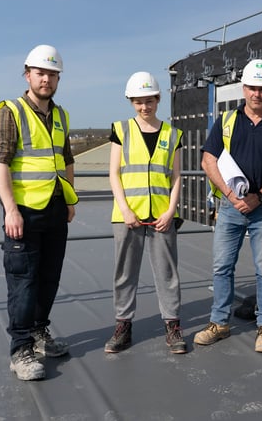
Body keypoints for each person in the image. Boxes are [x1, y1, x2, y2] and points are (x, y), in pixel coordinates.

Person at [194, 59, 262, 353]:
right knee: (222, 266)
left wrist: (259, 197)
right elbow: (208, 160)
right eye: (252, 88)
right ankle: (219, 323)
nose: (257, 94)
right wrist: (230, 195)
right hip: (230, 208)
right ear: (244, 89)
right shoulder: (227, 122)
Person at [0, 44, 78, 381]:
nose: (47, 79)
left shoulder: (61, 115)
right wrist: (10, 210)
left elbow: (66, 159)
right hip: (24, 211)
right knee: (23, 282)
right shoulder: (10, 111)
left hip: (55, 209)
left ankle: (40, 333)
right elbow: (0, 162)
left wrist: (70, 200)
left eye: (53, 74)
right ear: (28, 74)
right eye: (41, 73)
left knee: (49, 278)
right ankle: (20, 349)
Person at [104, 72, 186, 354]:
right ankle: (123, 326)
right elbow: (113, 173)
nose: (144, 107)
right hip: (127, 216)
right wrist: (125, 209)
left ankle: (173, 327)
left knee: (167, 273)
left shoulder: (172, 134)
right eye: (138, 101)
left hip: (162, 216)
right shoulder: (121, 130)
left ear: (158, 99)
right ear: (131, 101)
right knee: (124, 273)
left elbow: (176, 177)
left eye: (149, 100)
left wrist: (171, 210)